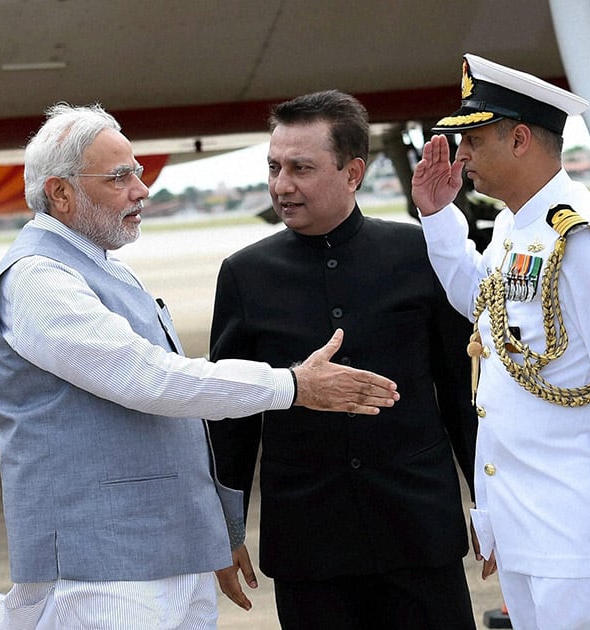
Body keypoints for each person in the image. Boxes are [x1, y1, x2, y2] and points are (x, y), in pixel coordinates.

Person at [0, 103, 399, 630]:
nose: (141, 189)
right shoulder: (37, 281)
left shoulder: (104, 270)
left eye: (138, 172)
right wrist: (292, 385)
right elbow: (148, 378)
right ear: (60, 193)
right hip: (102, 572)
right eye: (120, 177)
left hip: (161, 559)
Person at [411, 54, 590, 629]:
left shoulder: (583, 239)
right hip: (527, 525)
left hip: (582, 533)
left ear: (521, 138)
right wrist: (437, 217)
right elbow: (484, 312)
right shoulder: (514, 227)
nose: (464, 157)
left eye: (474, 141)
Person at [206, 90, 479, 629]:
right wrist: (227, 528)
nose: (282, 185)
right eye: (274, 167)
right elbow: (230, 414)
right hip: (311, 546)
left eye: (301, 168)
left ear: (353, 173)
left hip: (418, 532)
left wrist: (489, 505)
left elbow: (461, 395)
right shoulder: (244, 275)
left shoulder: (419, 256)